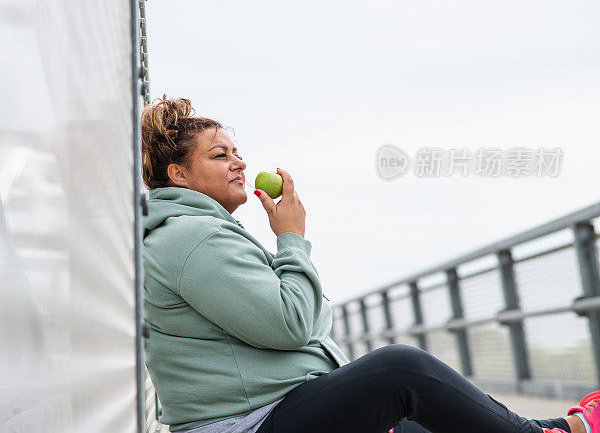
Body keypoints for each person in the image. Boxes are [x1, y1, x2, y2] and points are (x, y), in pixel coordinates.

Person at [140, 94, 597, 433]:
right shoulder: (193, 237)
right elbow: (294, 323)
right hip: (248, 423)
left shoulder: (193, 233)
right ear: (178, 174)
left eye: (237, 153)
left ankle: (567, 426)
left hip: (261, 411)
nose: (239, 163)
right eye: (220, 156)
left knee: (433, 426)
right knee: (401, 370)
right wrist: (292, 238)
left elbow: (302, 319)